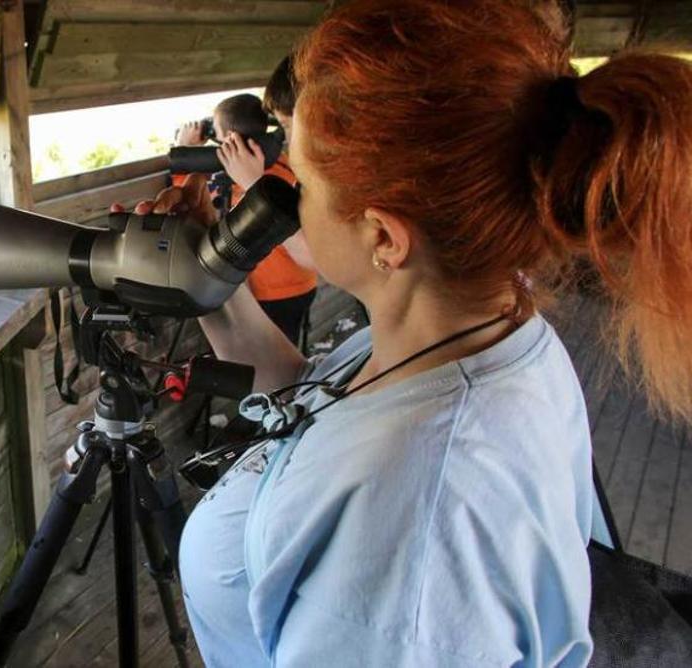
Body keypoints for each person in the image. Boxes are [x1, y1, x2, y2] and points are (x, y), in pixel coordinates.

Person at [131, 0, 692, 664]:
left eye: (303, 184)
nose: (285, 201)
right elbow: (308, 404)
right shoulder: (472, 333)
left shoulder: (413, 544)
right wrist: (206, 274)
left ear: (384, 237)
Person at [175, 93, 319, 346]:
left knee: (271, 360)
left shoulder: (243, 180)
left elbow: (194, 195)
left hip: (271, 292)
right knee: (289, 350)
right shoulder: (282, 164)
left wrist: (185, 148)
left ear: (230, 139)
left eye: (217, 134)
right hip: (302, 284)